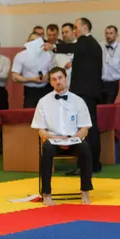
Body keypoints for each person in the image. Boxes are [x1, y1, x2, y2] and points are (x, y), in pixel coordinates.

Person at [43, 17, 103, 174]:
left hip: (85, 92)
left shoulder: (86, 42)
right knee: (89, 127)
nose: (74, 31)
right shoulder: (91, 45)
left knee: (86, 128)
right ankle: (90, 164)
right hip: (89, 91)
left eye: (76, 28)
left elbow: (74, 47)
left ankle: (88, 164)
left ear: (84, 28)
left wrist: (53, 46)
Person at [31, 67, 94, 206]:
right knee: (46, 149)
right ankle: (46, 193)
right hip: (53, 141)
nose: (58, 81)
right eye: (54, 79)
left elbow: (85, 128)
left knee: (85, 148)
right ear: (51, 83)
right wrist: (53, 139)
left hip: (74, 140)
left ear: (66, 78)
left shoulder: (79, 101)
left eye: (60, 78)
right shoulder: (43, 101)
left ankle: (85, 191)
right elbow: (40, 130)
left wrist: (73, 139)